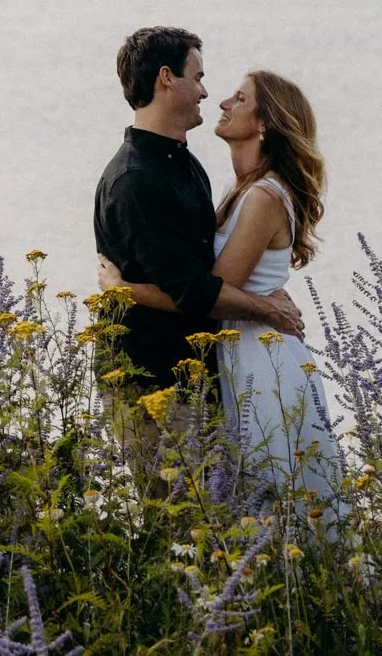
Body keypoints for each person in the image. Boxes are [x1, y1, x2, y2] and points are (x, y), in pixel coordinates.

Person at [101, 67, 344, 509]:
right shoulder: (240, 189)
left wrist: (123, 289)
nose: (223, 103)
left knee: (273, 488)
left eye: (240, 99)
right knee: (250, 490)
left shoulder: (263, 197)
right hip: (237, 349)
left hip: (260, 356)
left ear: (265, 124)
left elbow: (211, 292)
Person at [92, 27, 303, 394]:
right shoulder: (136, 180)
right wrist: (265, 306)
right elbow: (194, 291)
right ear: (166, 78)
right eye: (198, 77)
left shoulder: (188, 167)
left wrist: (124, 288)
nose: (207, 93)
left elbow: (205, 274)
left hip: (201, 376)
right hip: (151, 381)